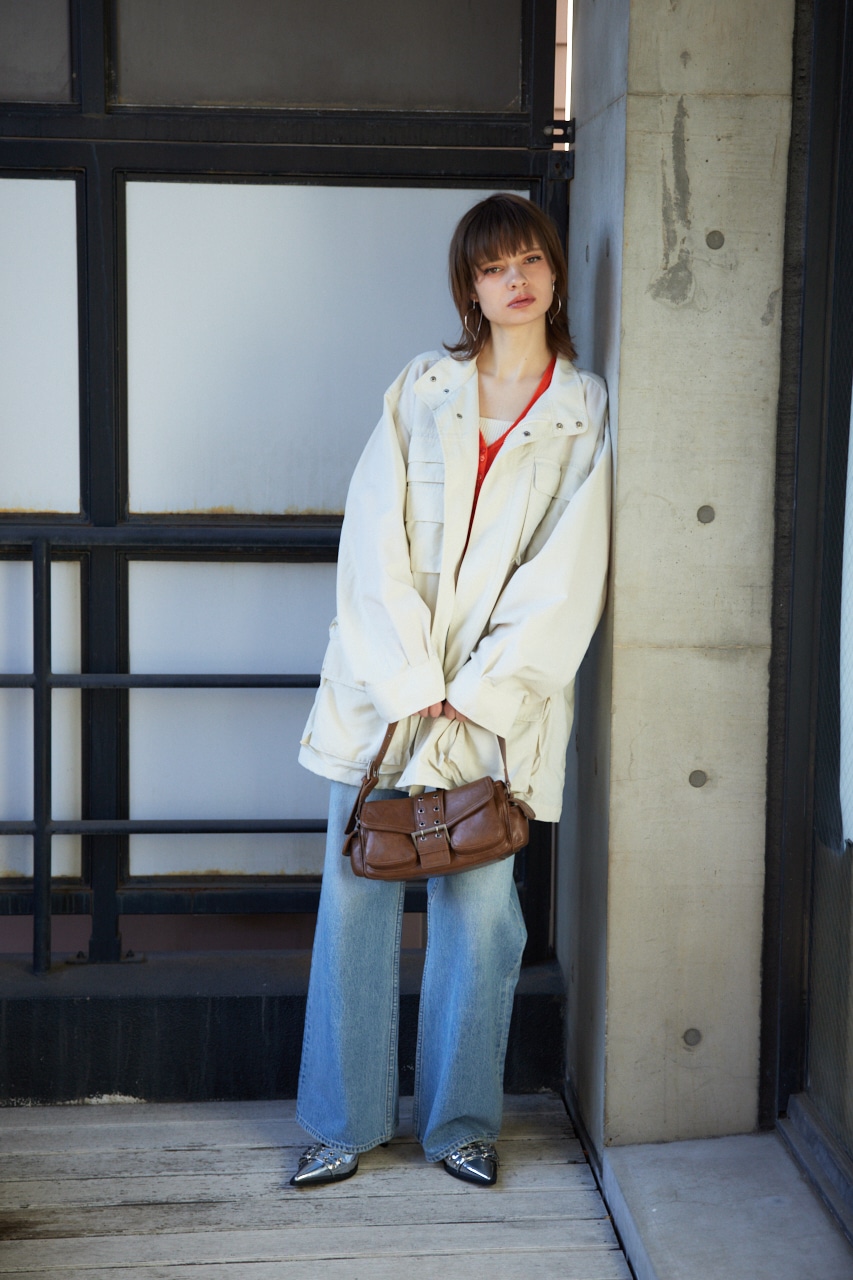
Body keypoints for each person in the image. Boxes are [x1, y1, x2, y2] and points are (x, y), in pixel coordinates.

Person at [291, 193, 611, 1188]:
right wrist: (410, 679)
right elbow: (370, 539)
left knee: (479, 916)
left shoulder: (583, 409)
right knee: (356, 902)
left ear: (554, 274)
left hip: (489, 710)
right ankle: (340, 1125)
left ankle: (461, 1123)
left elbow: (568, 573)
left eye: (530, 261)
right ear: (469, 287)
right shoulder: (421, 387)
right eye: (493, 267)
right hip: (387, 701)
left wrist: (476, 689)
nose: (516, 280)